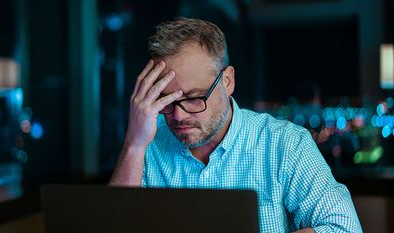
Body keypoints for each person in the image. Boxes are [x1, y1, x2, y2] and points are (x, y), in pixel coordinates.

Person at [109, 17, 362, 233]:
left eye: (194, 98)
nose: (177, 115)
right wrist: (134, 143)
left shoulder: (285, 144)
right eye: (165, 101)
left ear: (227, 81)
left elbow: (344, 227)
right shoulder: (145, 146)